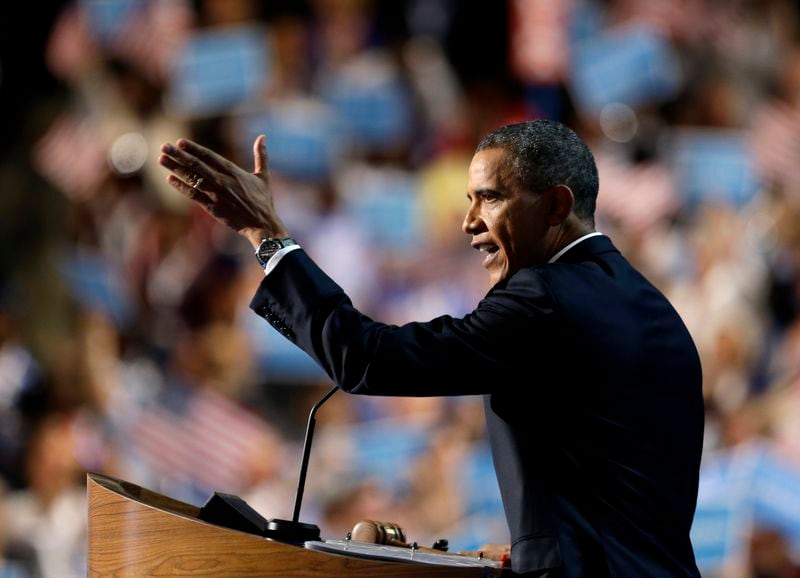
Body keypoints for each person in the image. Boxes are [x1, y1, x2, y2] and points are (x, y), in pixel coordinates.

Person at [159, 120, 704, 577]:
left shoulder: (544, 296)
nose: (468, 221)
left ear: (556, 205)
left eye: (489, 198)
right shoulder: (651, 306)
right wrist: (531, 552)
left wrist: (265, 234)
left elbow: (366, 358)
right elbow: (617, 492)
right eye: (469, 200)